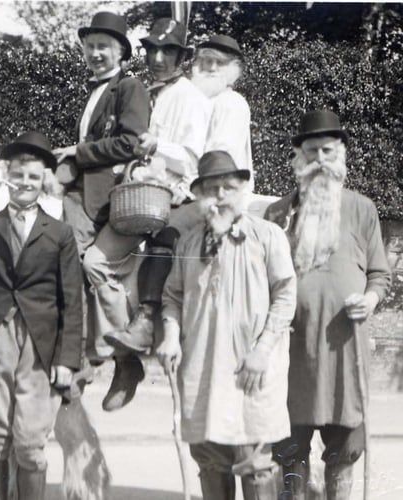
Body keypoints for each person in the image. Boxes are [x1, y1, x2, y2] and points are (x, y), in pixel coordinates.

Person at [156, 150, 297, 499]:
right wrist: (171, 336)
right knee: (210, 459)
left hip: (253, 369)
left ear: (243, 190)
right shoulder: (188, 243)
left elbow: (286, 296)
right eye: (212, 188)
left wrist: (263, 351)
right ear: (199, 195)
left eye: (228, 187)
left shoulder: (267, 236)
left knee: (256, 463)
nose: (220, 196)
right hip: (203, 369)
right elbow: (172, 296)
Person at [266, 110, 391, 499]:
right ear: (298, 159)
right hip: (292, 351)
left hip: (344, 349)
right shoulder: (277, 214)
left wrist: (369, 300)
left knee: (343, 449)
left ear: (341, 157)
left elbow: (379, 275)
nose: (320, 159)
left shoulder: (362, 208)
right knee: (290, 448)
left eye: (327, 151)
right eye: (312, 151)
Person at [0, 131, 83, 500]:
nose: (25, 183)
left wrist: (67, 359)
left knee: (29, 443)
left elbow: (71, 301)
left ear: (43, 181)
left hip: (40, 347)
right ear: (6, 177)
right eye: (18, 175)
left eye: (33, 176)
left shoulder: (60, 234)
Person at [100, 17, 212, 410]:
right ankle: (123, 360)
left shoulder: (193, 99)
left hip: (181, 194)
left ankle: (148, 318)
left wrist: (155, 146)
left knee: (167, 233)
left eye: (169, 52)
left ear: (183, 57)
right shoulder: (147, 92)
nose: (159, 58)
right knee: (94, 259)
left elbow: (194, 157)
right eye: (153, 50)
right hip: (142, 193)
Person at [50, 11, 150, 411]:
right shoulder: (92, 92)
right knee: (61, 265)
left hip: (108, 198)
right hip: (77, 191)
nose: (95, 53)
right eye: (90, 46)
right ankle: (81, 360)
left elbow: (130, 143)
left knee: (86, 264)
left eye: (103, 47)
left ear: (121, 52)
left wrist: (78, 152)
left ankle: (116, 360)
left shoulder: (130, 88)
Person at [191, 34, 254, 191]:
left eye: (220, 63)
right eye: (208, 61)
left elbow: (219, 156)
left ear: (233, 69)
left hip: (221, 189)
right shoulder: (199, 101)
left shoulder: (231, 103)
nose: (212, 68)